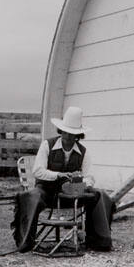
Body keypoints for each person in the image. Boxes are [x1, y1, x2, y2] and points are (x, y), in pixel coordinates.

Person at [11, 106, 115, 252]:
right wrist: (57, 175)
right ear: (61, 131)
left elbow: (89, 176)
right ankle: (26, 241)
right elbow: (38, 171)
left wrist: (81, 183)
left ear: (78, 136)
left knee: (100, 195)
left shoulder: (83, 152)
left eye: (72, 135)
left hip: (72, 196)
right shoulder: (47, 145)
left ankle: (99, 241)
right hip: (47, 193)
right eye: (66, 133)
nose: (68, 137)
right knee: (32, 196)